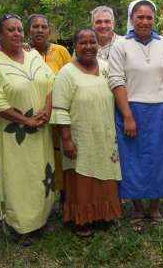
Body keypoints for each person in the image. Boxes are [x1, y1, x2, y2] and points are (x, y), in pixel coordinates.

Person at [0, 14, 55, 246]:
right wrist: (25, 120)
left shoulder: (33, 56)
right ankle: (20, 226)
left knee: (42, 172)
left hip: (41, 131)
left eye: (20, 29)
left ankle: (41, 218)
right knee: (18, 177)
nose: (17, 34)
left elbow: (51, 83)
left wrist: (47, 111)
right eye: (11, 30)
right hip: (13, 136)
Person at [108, 0, 163, 232]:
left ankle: (155, 207)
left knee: (160, 159)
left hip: (161, 111)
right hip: (132, 109)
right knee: (133, 160)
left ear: (154, 19)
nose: (145, 21)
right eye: (140, 17)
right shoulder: (120, 46)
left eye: (149, 17)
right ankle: (138, 208)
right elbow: (116, 80)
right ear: (131, 19)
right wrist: (127, 115)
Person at [51, 28, 122, 236]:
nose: (89, 46)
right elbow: (60, 109)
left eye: (93, 42)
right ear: (75, 46)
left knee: (106, 178)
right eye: (83, 42)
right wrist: (66, 139)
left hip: (105, 136)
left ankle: (106, 216)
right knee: (81, 180)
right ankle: (81, 220)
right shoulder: (66, 73)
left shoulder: (108, 68)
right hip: (79, 138)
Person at [28, 14, 71, 195]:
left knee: (62, 155)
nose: (39, 30)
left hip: (60, 114)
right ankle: (40, 198)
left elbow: (71, 76)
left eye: (43, 27)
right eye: (35, 26)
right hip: (35, 117)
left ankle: (65, 196)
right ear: (28, 31)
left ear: (49, 31)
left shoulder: (60, 51)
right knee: (39, 157)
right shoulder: (23, 53)